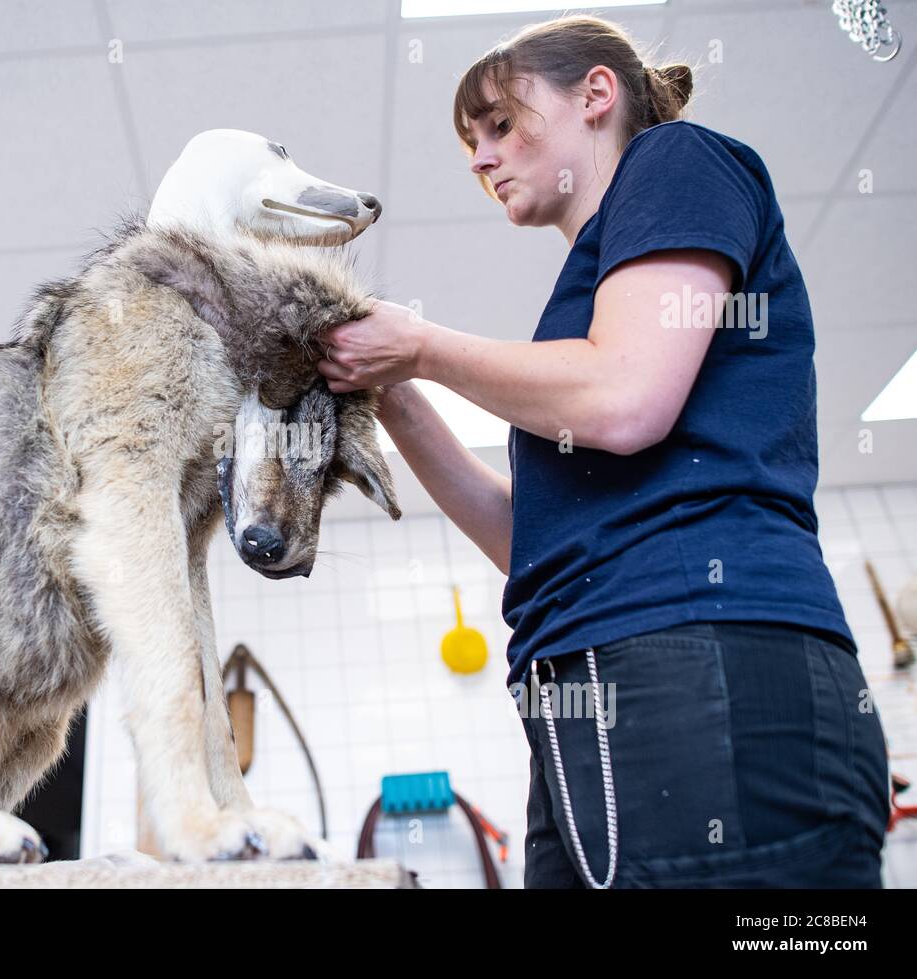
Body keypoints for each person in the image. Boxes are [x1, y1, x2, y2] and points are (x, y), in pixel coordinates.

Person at [316, 15, 890, 888]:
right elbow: (529, 543)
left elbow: (627, 398)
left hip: (704, 662)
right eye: (470, 141)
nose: (479, 158)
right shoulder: (580, 313)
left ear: (595, 95)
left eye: (501, 124)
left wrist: (423, 345)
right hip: (586, 686)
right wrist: (391, 389)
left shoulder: (678, 162)